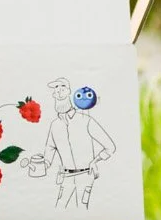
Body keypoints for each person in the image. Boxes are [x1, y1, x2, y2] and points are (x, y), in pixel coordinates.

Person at [38, 76, 115, 208]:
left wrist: (95, 161)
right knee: (59, 209)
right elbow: (49, 150)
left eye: (61, 88)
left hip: (85, 176)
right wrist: (42, 164)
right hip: (66, 177)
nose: (58, 91)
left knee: (83, 212)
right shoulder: (55, 125)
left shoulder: (86, 120)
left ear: (68, 91)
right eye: (55, 89)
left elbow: (110, 147)